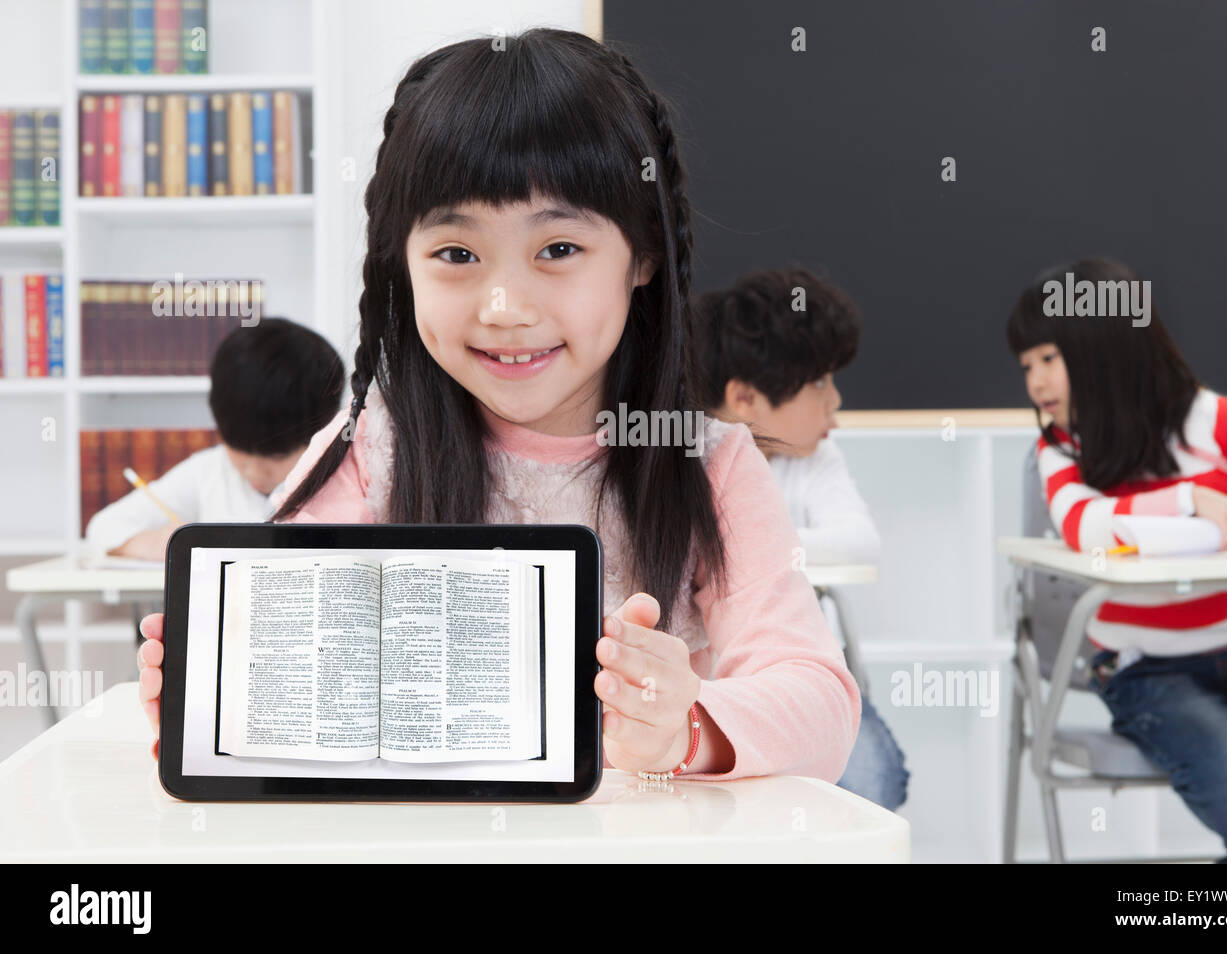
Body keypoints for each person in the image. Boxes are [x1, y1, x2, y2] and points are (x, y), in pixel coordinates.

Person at [138, 28, 861, 783]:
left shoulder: (705, 465)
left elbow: (819, 703)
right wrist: (229, 701)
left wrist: (686, 727)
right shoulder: (370, 450)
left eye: (557, 250)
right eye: (457, 255)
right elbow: (284, 650)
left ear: (642, 255)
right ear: (404, 264)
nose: (506, 306)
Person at [1008, 257, 1227, 862]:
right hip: (1147, 669)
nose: (1034, 381)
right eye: (1026, 365)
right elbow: (1083, 526)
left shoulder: (1210, 421)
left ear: (1106, 348)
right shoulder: (1060, 448)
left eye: (1047, 358)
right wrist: (1193, 498)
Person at [694, 265, 906, 809]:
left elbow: (860, 542)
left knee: (876, 779)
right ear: (744, 399)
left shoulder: (812, 456)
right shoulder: (680, 463)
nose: (834, 401)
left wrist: (745, 554)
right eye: (818, 384)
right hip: (702, 691)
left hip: (792, 684)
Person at [86, 318, 344, 561]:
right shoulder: (208, 472)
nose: (254, 472)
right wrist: (155, 544)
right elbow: (103, 528)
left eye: (276, 458)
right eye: (239, 456)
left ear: (325, 430)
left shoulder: (346, 478)